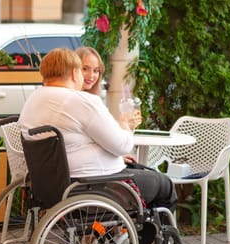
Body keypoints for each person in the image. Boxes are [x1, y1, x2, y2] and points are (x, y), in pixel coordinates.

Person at [18, 48, 176, 212]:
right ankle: (147, 237)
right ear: (74, 73)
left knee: (142, 171)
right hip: (92, 187)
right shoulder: (81, 101)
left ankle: (120, 234)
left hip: (49, 186)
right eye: (82, 70)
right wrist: (126, 125)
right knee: (165, 185)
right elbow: (122, 146)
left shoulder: (35, 99)